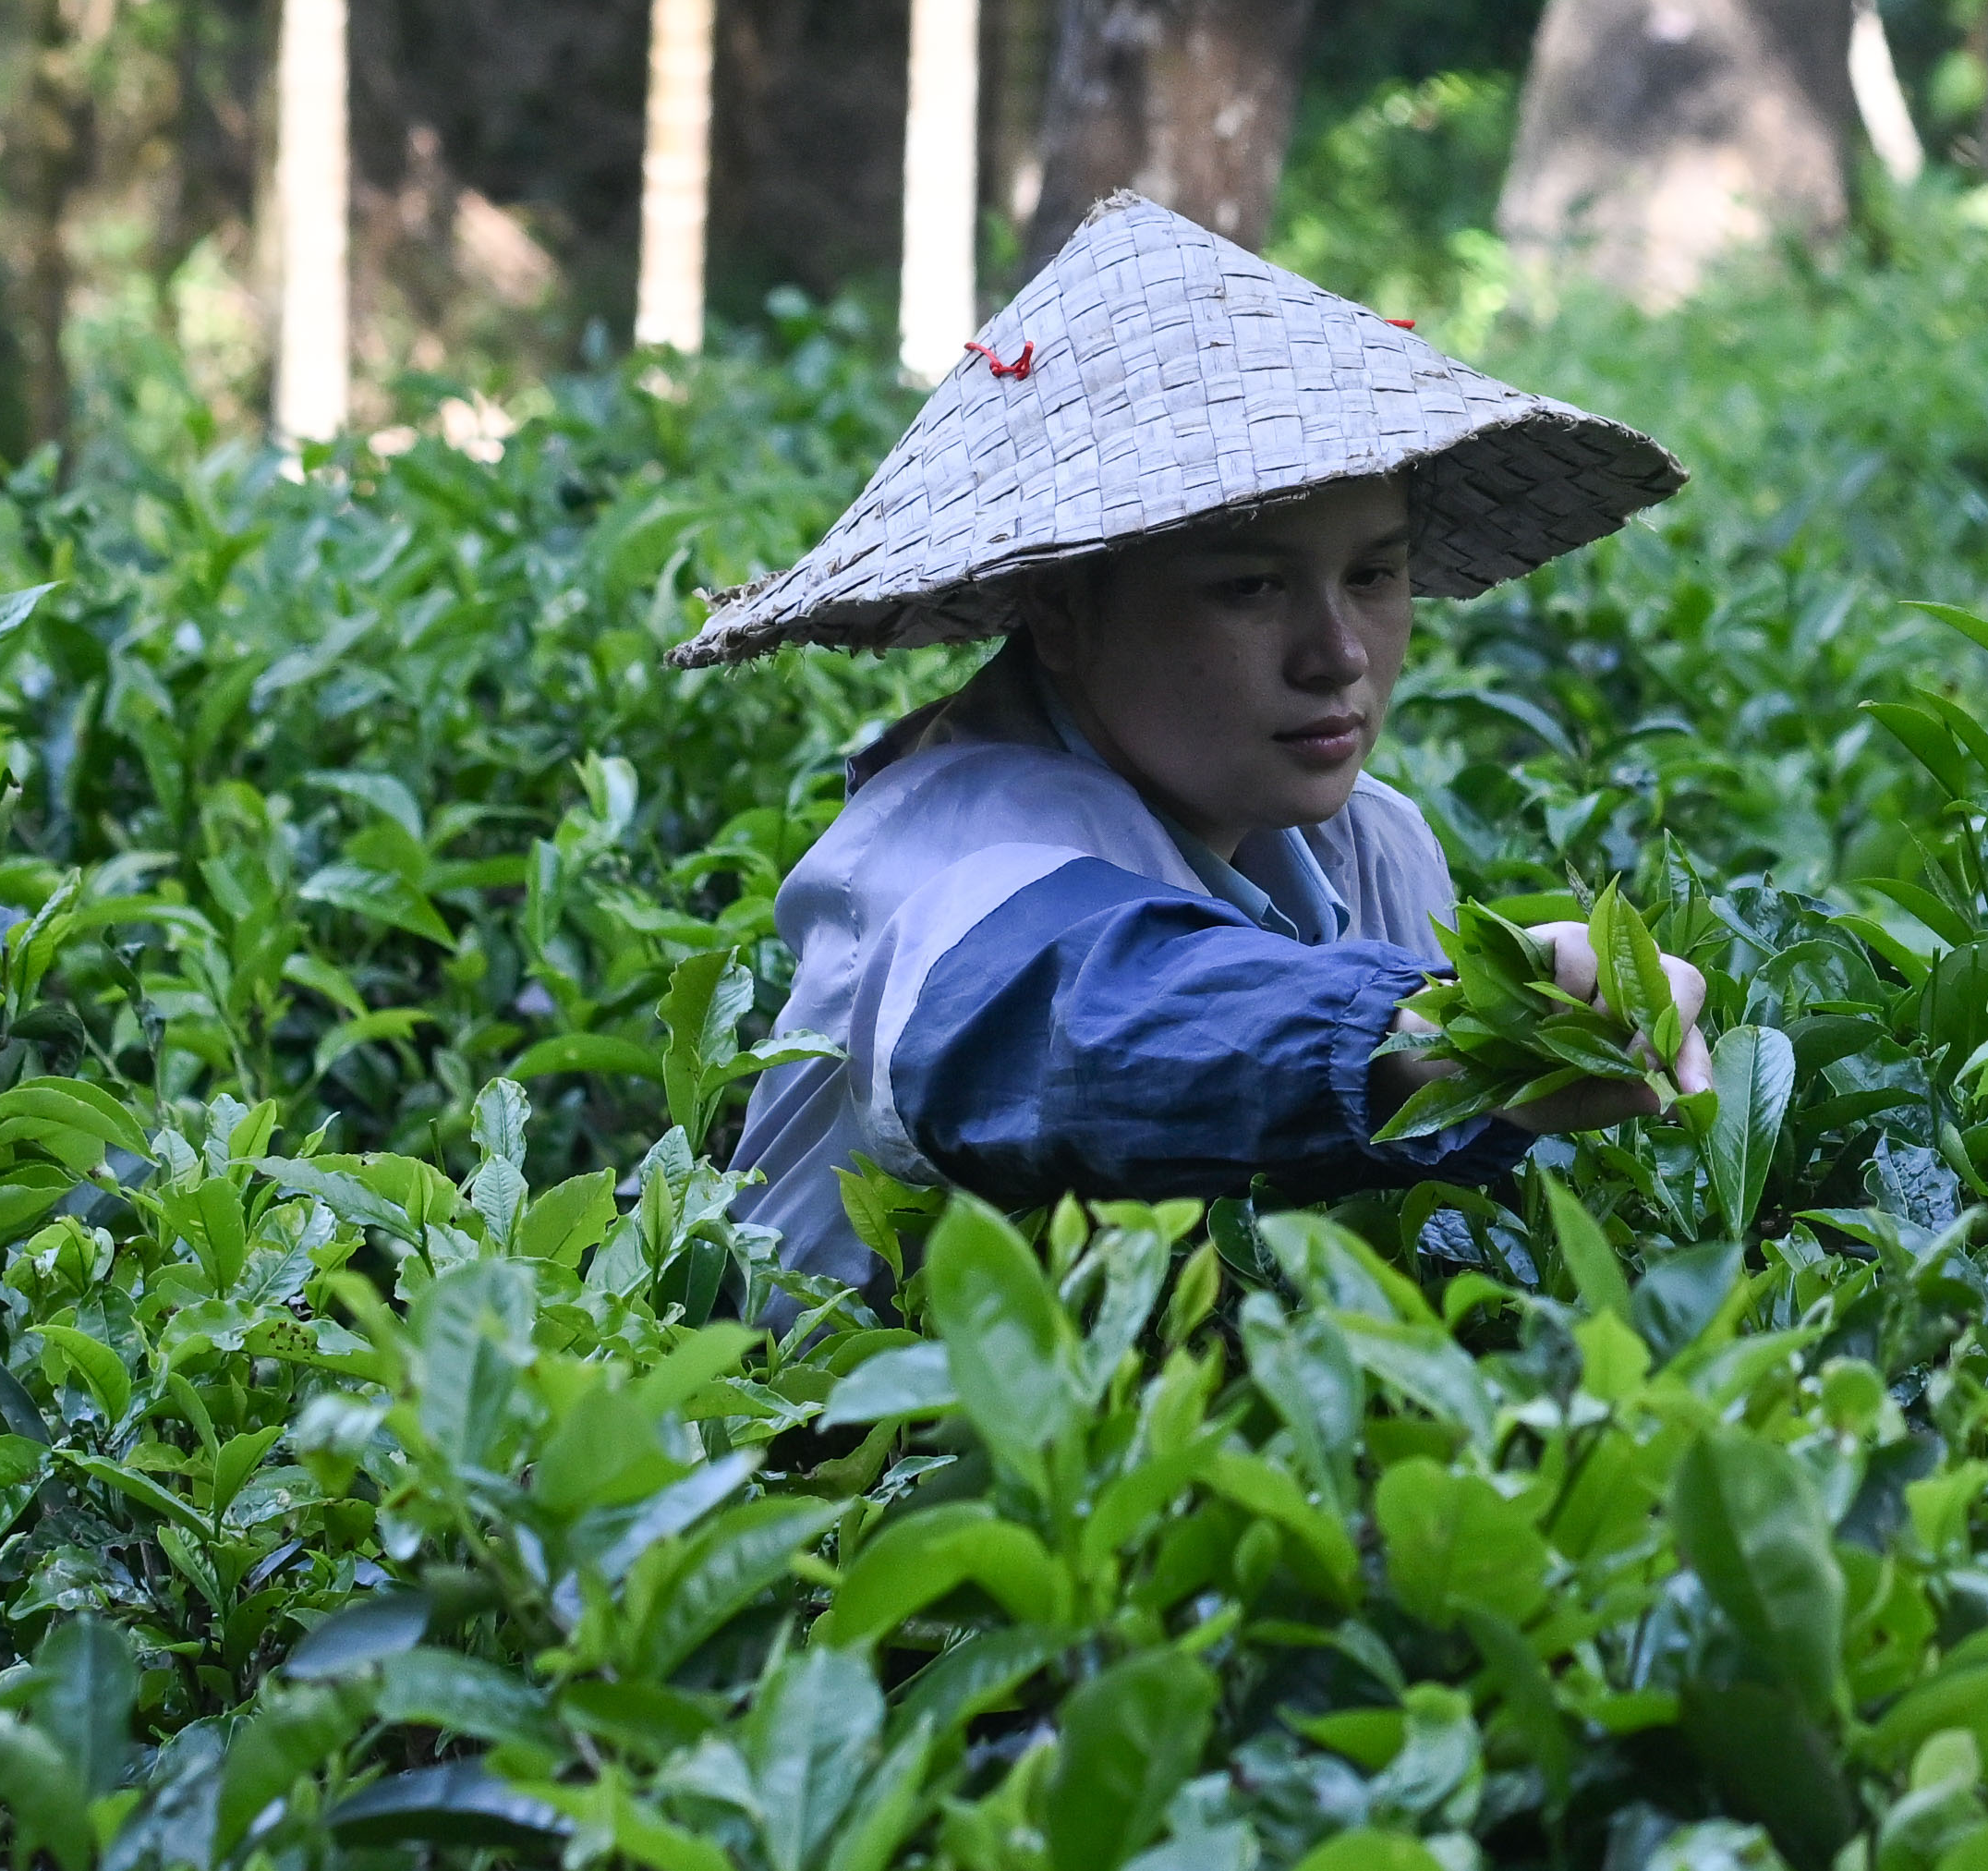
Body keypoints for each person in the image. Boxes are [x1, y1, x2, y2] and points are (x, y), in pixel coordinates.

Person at [692, 196, 1709, 1282]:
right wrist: (1439, 1032)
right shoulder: (951, 843)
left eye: (1372, 574)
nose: (1338, 654)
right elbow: (1072, 1010)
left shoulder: (1371, 846)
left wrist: (1545, 1023)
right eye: (1249, 586)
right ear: (1065, 613)